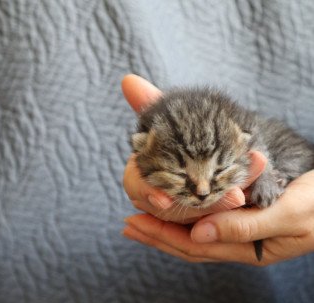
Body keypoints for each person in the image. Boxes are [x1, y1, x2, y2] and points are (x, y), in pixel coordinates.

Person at [122, 74, 314, 265]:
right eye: (180, 174)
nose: (203, 191)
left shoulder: (250, 140)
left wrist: (268, 177)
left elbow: (258, 146)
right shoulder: (153, 143)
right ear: (142, 153)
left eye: (219, 171)